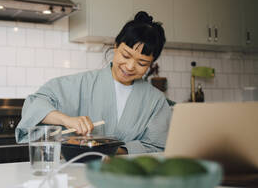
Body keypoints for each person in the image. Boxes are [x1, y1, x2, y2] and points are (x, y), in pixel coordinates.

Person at [15, 11, 172, 154]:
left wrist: (115, 152)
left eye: (142, 63)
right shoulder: (82, 83)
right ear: (116, 47)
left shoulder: (156, 101)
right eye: (126, 55)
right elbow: (35, 103)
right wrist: (67, 120)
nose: (130, 67)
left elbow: (157, 146)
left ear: (151, 63)